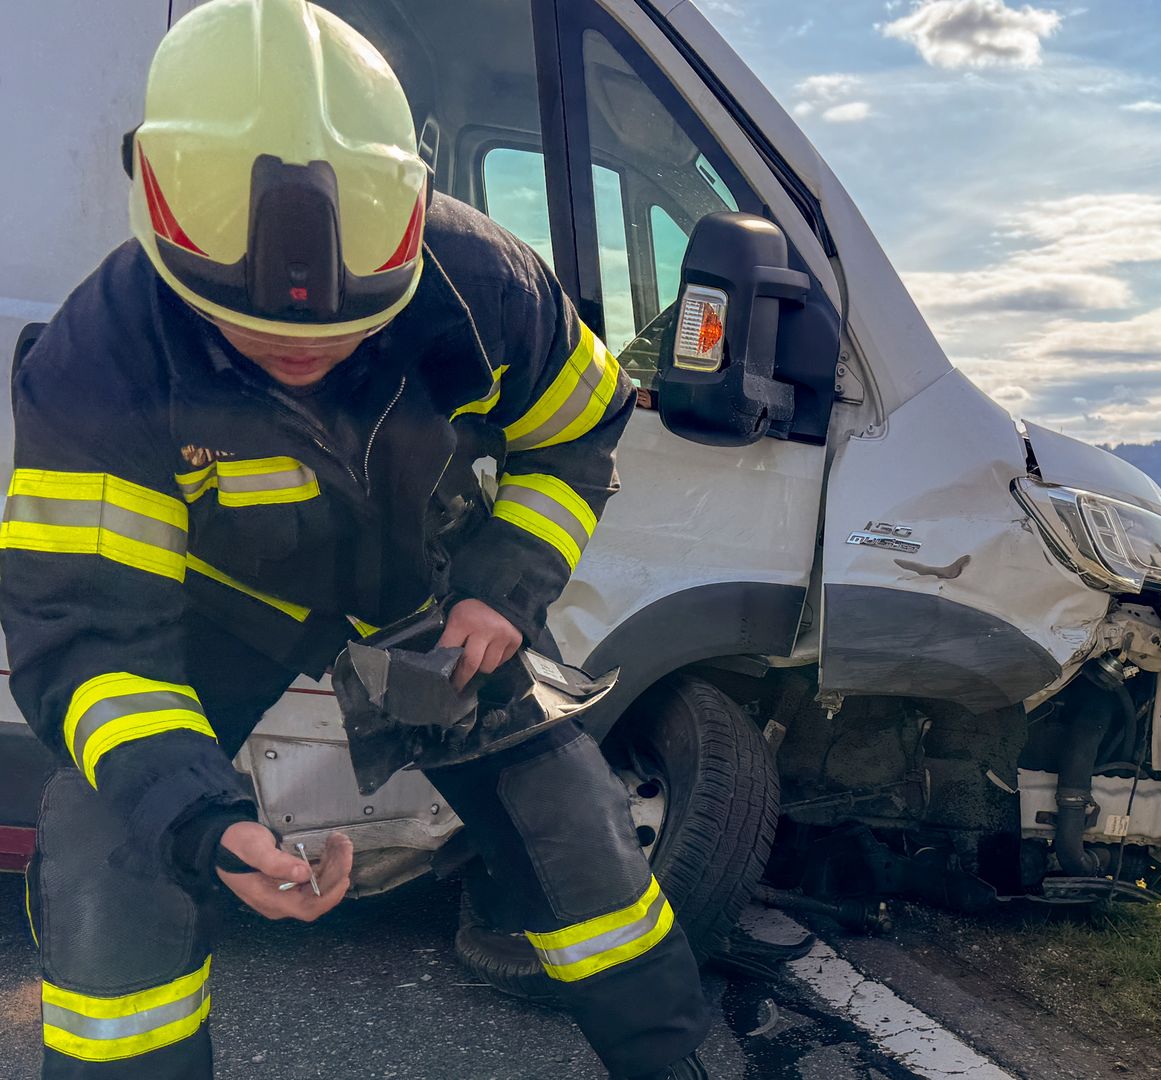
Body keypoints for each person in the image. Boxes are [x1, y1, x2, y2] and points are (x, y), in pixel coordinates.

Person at [0, 1, 708, 1076]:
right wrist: (203, 822)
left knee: (570, 818)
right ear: (164, 228)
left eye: (349, 331)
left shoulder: (487, 285)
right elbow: (91, 640)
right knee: (109, 846)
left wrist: (503, 587)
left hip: (427, 586)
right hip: (218, 608)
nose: (308, 356)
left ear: (408, 224)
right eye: (259, 338)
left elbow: (577, 433)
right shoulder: (100, 365)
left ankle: (667, 1060)